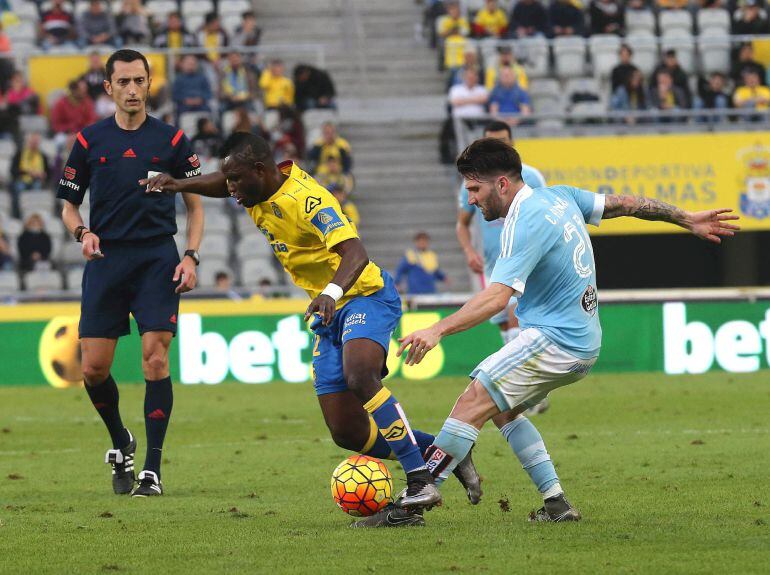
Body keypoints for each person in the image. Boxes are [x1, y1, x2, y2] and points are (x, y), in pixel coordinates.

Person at [390, 138, 739, 524]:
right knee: (503, 411)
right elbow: (626, 204)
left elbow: (497, 297)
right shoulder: (559, 196)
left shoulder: (523, 222)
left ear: (501, 184)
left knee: (472, 399)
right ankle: (556, 504)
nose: (470, 200)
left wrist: (437, 329)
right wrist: (685, 218)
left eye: (474, 189)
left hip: (554, 340)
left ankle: (418, 494)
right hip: (582, 341)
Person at [141, 131, 481, 527]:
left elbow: (355, 251)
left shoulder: (308, 200)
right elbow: (221, 181)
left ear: (259, 171)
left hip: (363, 295)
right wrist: (177, 184)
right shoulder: (252, 188)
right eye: (228, 180)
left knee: (361, 375)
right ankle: (445, 453)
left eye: (235, 180)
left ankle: (420, 480)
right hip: (327, 312)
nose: (230, 188)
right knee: (347, 431)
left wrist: (332, 293)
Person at [57, 49, 204, 498]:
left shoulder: (172, 139)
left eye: (139, 80)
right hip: (106, 260)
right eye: (123, 82)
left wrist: (191, 256)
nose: (133, 89)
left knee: (155, 359)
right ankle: (121, 441)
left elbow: (196, 206)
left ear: (149, 83)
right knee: (93, 369)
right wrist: (82, 233)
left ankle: (152, 471)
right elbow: (68, 207)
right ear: (109, 88)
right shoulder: (89, 140)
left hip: (157, 258)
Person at [455, 121, 548, 420]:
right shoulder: (473, 182)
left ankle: (520, 392)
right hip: (493, 264)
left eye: (504, 141)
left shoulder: (531, 177)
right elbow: (462, 223)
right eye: (493, 141)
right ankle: (529, 390)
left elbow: (546, 214)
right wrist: (469, 251)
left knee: (514, 319)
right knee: (506, 328)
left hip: (523, 261)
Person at [11, 132, 50, 216]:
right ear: (27, 142)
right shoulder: (19, 154)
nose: (34, 144)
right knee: (20, 188)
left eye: (36, 142)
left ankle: (35, 213)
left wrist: (43, 175)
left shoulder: (43, 156)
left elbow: (48, 173)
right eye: (32, 142)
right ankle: (18, 214)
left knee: (37, 188)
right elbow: (13, 170)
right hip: (21, 179)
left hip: (38, 181)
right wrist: (28, 172)